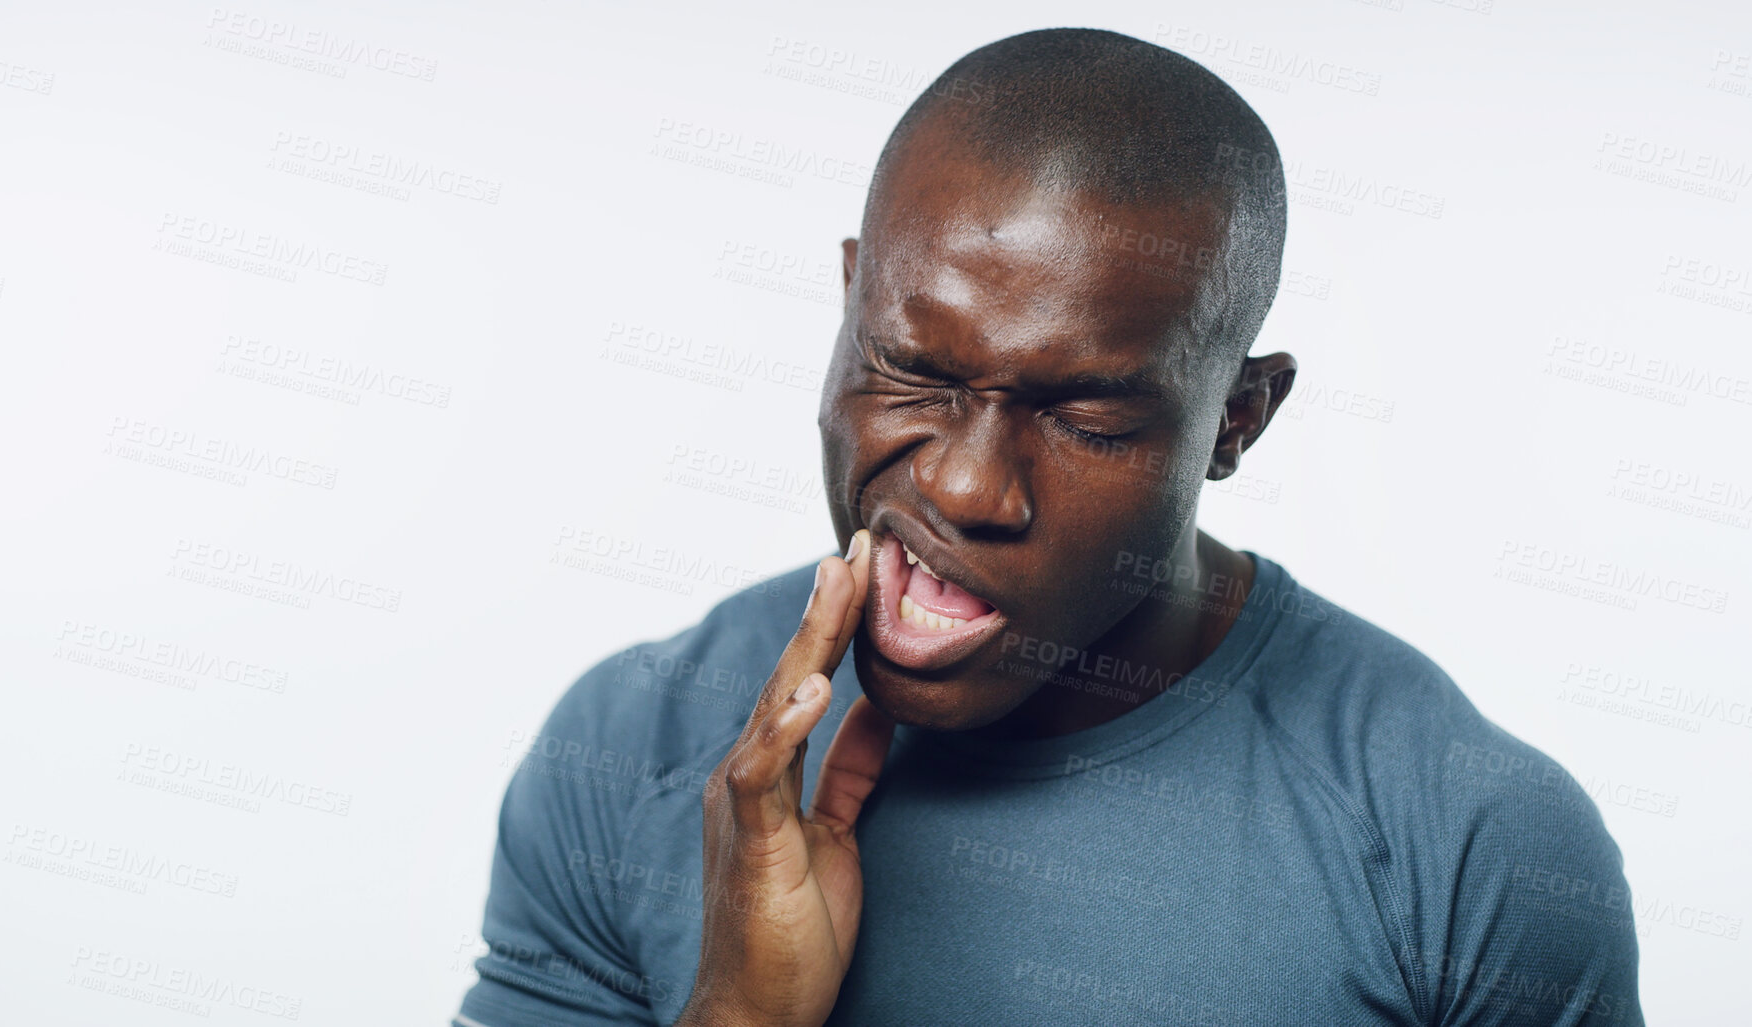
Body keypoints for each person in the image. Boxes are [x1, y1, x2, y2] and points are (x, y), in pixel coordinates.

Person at [457, 27, 1643, 1027]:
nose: (970, 487)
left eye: (1084, 416)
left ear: (1236, 420)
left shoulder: (1467, 846)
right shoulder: (634, 746)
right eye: (915, 370)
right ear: (851, 299)